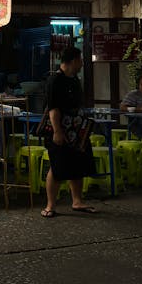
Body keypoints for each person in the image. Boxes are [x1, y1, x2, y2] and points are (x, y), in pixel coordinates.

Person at [41, 46, 97, 218]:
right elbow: (53, 108)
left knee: (77, 163)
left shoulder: (74, 80)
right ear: (73, 60)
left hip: (77, 128)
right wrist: (57, 131)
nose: (81, 64)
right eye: (80, 60)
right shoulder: (55, 80)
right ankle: (50, 205)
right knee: (57, 165)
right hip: (59, 127)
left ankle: (77, 200)